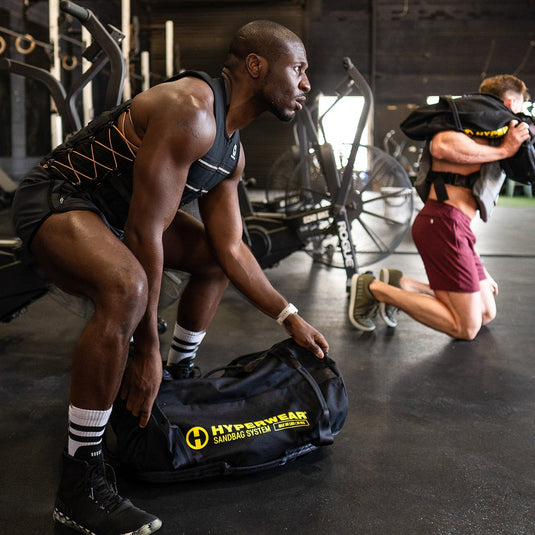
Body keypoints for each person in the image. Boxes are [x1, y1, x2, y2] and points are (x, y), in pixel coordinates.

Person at [12, 20, 329, 535]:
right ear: (255, 66)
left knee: (208, 257)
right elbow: (144, 231)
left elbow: (230, 250)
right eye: (298, 69)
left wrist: (287, 314)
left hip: (111, 218)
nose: (306, 83)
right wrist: (145, 350)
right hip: (60, 197)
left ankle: (177, 381)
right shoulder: (192, 111)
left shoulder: (232, 149)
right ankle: (80, 482)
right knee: (128, 287)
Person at [349, 74, 531, 339]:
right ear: (509, 101)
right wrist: (505, 150)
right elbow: (442, 146)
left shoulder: (492, 130)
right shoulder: (466, 120)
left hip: (457, 227)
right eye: (519, 108)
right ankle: (374, 289)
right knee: (466, 328)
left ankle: (400, 283)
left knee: (486, 312)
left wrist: (477, 264)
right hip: (442, 223)